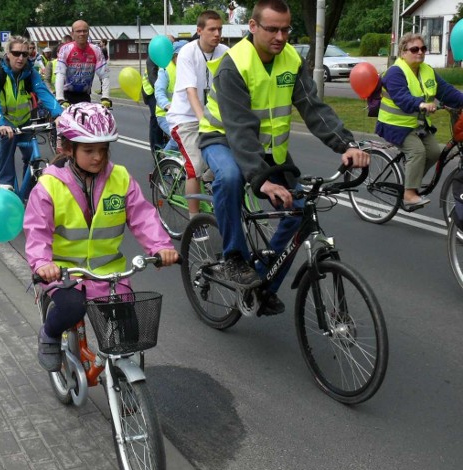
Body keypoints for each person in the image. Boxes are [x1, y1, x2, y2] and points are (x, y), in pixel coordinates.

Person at [198, 0, 369, 313]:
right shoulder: (233, 65)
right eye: (272, 29)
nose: (280, 36)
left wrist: (346, 145)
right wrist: (262, 180)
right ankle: (234, 258)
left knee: (299, 209)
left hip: (268, 147)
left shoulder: (291, 59)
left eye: (286, 29)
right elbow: (239, 129)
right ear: (253, 27)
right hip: (222, 138)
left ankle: (262, 285)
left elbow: (312, 107)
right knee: (231, 177)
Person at [23, 102, 179, 371]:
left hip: (109, 274)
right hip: (63, 274)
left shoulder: (120, 178)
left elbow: (143, 216)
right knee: (71, 309)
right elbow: (37, 230)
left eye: (104, 149)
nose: (98, 157)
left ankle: (123, 381)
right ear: (69, 149)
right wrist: (42, 264)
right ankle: (49, 336)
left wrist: (161, 246)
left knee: (127, 331)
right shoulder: (49, 185)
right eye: (89, 150)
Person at [376, 32, 463, 210]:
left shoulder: (427, 70)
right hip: (395, 125)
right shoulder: (394, 73)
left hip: (418, 126)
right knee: (417, 152)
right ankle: (409, 194)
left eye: (423, 48)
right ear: (402, 52)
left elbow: (446, 92)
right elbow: (402, 98)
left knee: (434, 153)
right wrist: (422, 104)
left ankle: (410, 182)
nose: (420, 52)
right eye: (414, 49)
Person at [167, 11, 228, 221]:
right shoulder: (187, 53)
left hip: (212, 118)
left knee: (230, 159)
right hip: (185, 119)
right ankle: (195, 218)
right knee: (195, 167)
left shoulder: (225, 52)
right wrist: (203, 120)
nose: (217, 33)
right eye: (212, 29)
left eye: (220, 29)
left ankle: (211, 184)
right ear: (199, 30)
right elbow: (191, 91)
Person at [0, 35, 63, 189]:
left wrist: (59, 114)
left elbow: (43, 92)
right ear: (8, 54)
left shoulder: (30, 72)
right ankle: (4, 183)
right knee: (8, 138)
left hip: (22, 119)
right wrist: (0, 123)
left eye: (25, 54)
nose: (20, 58)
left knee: (31, 153)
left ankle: (29, 192)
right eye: (16, 53)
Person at [55, 20, 110, 107]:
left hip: (85, 96)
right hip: (66, 95)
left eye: (85, 31)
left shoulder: (96, 50)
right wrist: (59, 98)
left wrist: (105, 97)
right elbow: (60, 74)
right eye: (78, 31)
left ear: (88, 33)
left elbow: (104, 75)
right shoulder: (65, 49)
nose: (82, 34)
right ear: (72, 34)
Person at [141, 34, 175, 154]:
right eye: (169, 44)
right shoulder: (153, 57)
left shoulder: (171, 58)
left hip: (162, 91)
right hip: (151, 92)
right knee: (155, 119)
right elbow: (152, 76)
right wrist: (161, 89)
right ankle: (156, 148)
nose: (171, 47)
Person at [154, 40, 188, 151]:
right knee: (178, 136)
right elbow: (159, 92)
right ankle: (164, 162)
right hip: (165, 115)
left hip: (184, 115)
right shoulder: (165, 69)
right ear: (175, 56)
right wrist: (167, 105)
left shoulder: (190, 68)